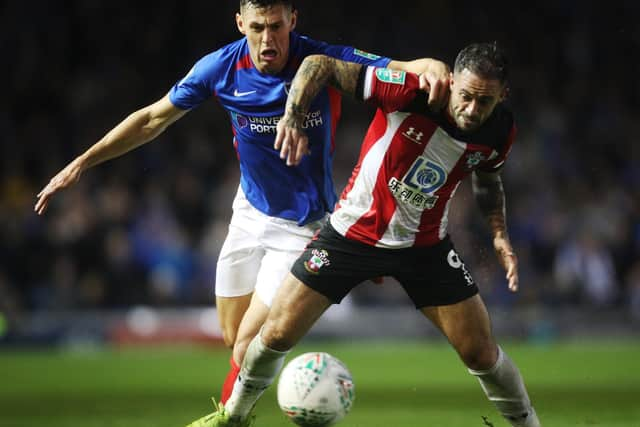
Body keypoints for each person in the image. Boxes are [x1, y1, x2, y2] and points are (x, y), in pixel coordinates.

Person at [33, 0, 450, 405]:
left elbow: (398, 68)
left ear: (292, 20)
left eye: (276, 26)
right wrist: (82, 164)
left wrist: (428, 66)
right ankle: (266, 379)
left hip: (303, 226)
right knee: (234, 339)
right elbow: (152, 119)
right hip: (248, 213)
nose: (268, 38)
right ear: (239, 23)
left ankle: (232, 415)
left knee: (251, 341)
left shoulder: (321, 60)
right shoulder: (221, 68)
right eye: (257, 27)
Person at [187, 42, 542, 427]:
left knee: (480, 353)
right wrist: (292, 115)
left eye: (484, 102)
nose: (472, 110)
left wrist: (499, 233)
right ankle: (232, 417)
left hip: (425, 247)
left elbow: (488, 180)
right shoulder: (411, 90)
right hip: (350, 236)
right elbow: (319, 64)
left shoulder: (500, 130)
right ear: (453, 81)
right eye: (467, 96)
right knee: (274, 334)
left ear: (502, 96)